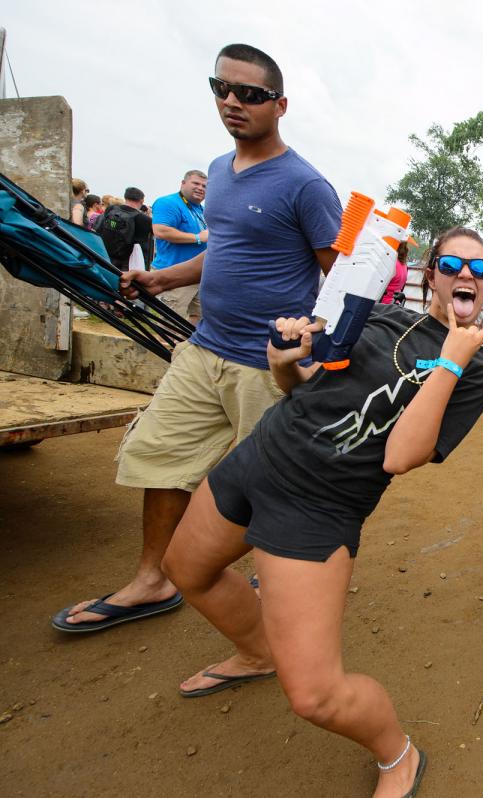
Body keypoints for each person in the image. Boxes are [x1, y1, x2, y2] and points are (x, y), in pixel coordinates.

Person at [160, 229, 483, 798]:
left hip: (318, 506)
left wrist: (450, 362)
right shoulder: (381, 317)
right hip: (259, 459)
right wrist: (282, 362)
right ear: (431, 275)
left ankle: (398, 754)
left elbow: (400, 456)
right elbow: (306, 385)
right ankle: (258, 652)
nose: (466, 274)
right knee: (186, 570)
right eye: (451, 264)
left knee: (315, 696)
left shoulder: (477, 371)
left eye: (480, 269)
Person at [53, 43, 343, 633]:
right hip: (203, 348)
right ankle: (152, 579)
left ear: (280, 105)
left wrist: (319, 350)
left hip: (266, 365)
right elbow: (224, 252)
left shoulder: (306, 185)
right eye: (222, 88)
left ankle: (281, 588)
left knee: (273, 484)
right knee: (161, 457)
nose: (233, 102)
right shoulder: (218, 173)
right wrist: (161, 279)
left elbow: (339, 279)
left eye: (251, 94)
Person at [151, 170, 209, 321]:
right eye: (196, 183)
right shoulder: (168, 202)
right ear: (183, 183)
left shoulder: (201, 209)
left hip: (197, 276)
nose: (200, 188)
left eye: (204, 186)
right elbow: (161, 231)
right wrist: (197, 238)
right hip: (174, 275)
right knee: (172, 323)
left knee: (199, 321)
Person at [95, 187, 153, 271]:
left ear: (125, 197)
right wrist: (150, 215)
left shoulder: (111, 209)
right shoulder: (144, 219)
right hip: (128, 266)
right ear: (142, 200)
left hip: (105, 257)